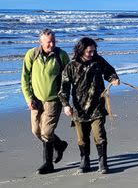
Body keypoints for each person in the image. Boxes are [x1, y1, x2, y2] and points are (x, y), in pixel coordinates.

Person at [59, 37, 120, 174]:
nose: (92, 53)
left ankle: (102, 162)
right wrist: (66, 105)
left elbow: (109, 71)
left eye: (94, 50)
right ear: (81, 50)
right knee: (82, 138)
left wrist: (114, 79)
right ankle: (84, 160)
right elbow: (64, 88)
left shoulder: (98, 61)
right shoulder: (71, 66)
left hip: (97, 106)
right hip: (79, 109)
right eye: (89, 51)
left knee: (99, 134)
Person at [21, 28, 70, 174]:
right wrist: (29, 98)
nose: (52, 44)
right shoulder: (32, 54)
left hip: (54, 100)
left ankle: (48, 164)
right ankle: (59, 145)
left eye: (54, 41)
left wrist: (66, 100)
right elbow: (25, 78)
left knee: (47, 132)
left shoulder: (61, 55)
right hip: (36, 100)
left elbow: (68, 79)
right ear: (40, 42)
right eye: (48, 42)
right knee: (36, 131)